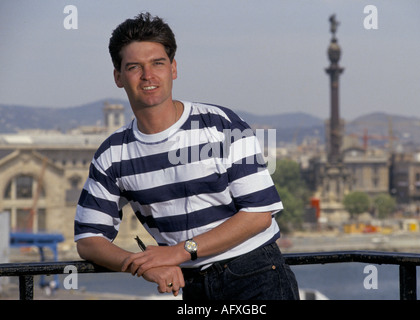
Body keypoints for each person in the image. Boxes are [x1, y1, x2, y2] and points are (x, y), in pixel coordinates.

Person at [74, 12, 299, 300]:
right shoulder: (112, 155)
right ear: (118, 77)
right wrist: (143, 267)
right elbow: (89, 240)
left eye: (158, 63)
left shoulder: (221, 124)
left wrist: (177, 252)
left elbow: (258, 214)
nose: (148, 76)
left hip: (255, 276)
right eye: (134, 67)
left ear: (173, 68)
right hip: (190, 284)